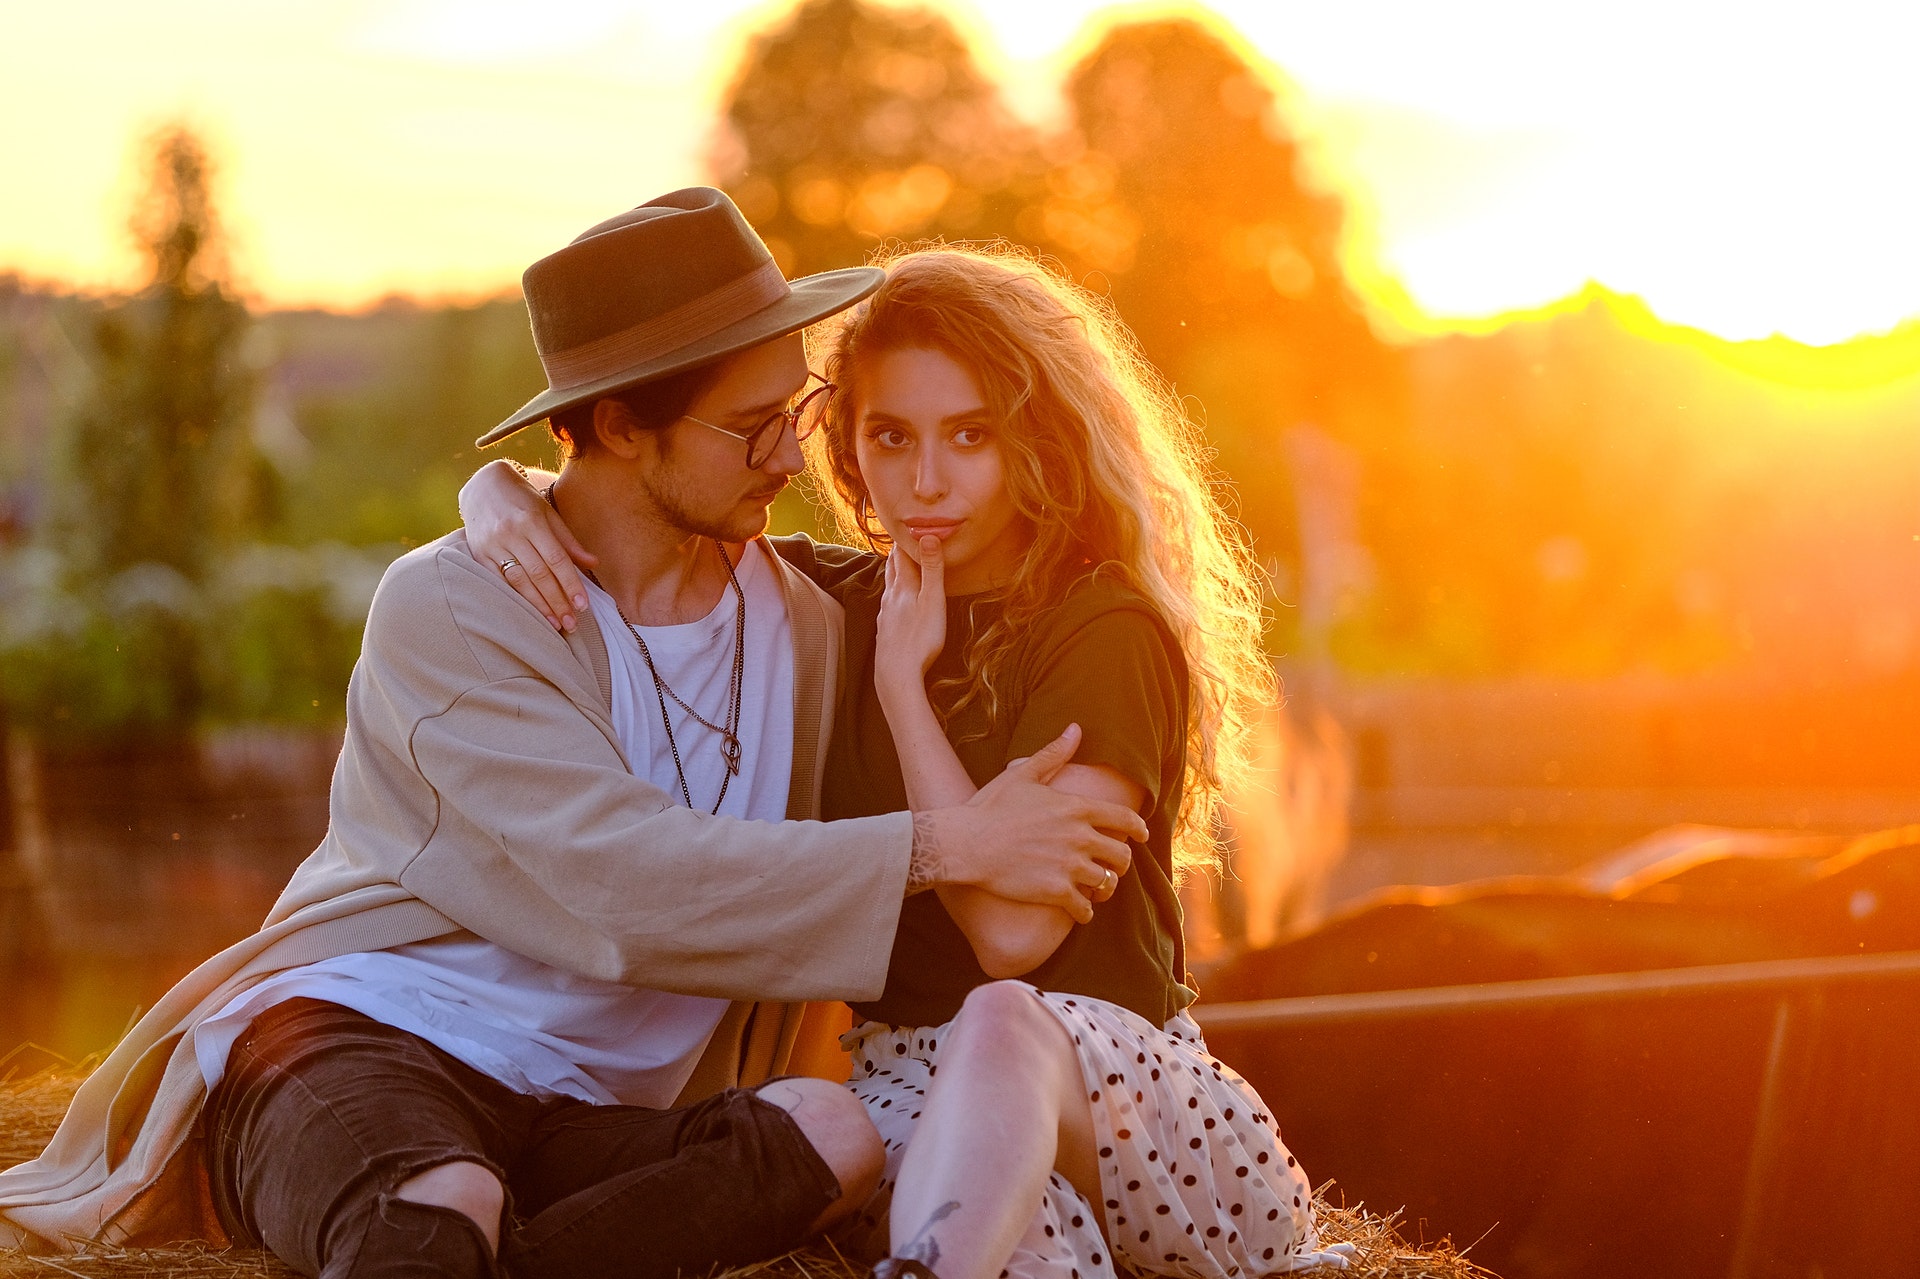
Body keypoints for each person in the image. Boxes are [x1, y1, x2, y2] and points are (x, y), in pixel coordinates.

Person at [0, 190, 1149, 1279]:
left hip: (591, 1111)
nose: (793, 460)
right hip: (372, 1036)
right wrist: (946, 843)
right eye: (752, 428)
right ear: (617, 426)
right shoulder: (453, 608)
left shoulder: (814, 618)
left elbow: (997, 563)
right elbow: (619, 882)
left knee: (831, 1135)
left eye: (794, 415)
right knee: (438, 1203)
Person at [462, 245, 1354, 1278]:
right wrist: (501, 493)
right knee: (1014, 1240)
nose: (926, 482)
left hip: (1120, 1101)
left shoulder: (1102, 627)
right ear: (848, 450)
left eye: (970, 436)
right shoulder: (824, 601)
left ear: (1040, 440)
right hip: (902, 1096)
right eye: (891, 438)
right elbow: (632, 500)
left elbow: (1012, 933)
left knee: (1000, 1021)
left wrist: (900, 692)